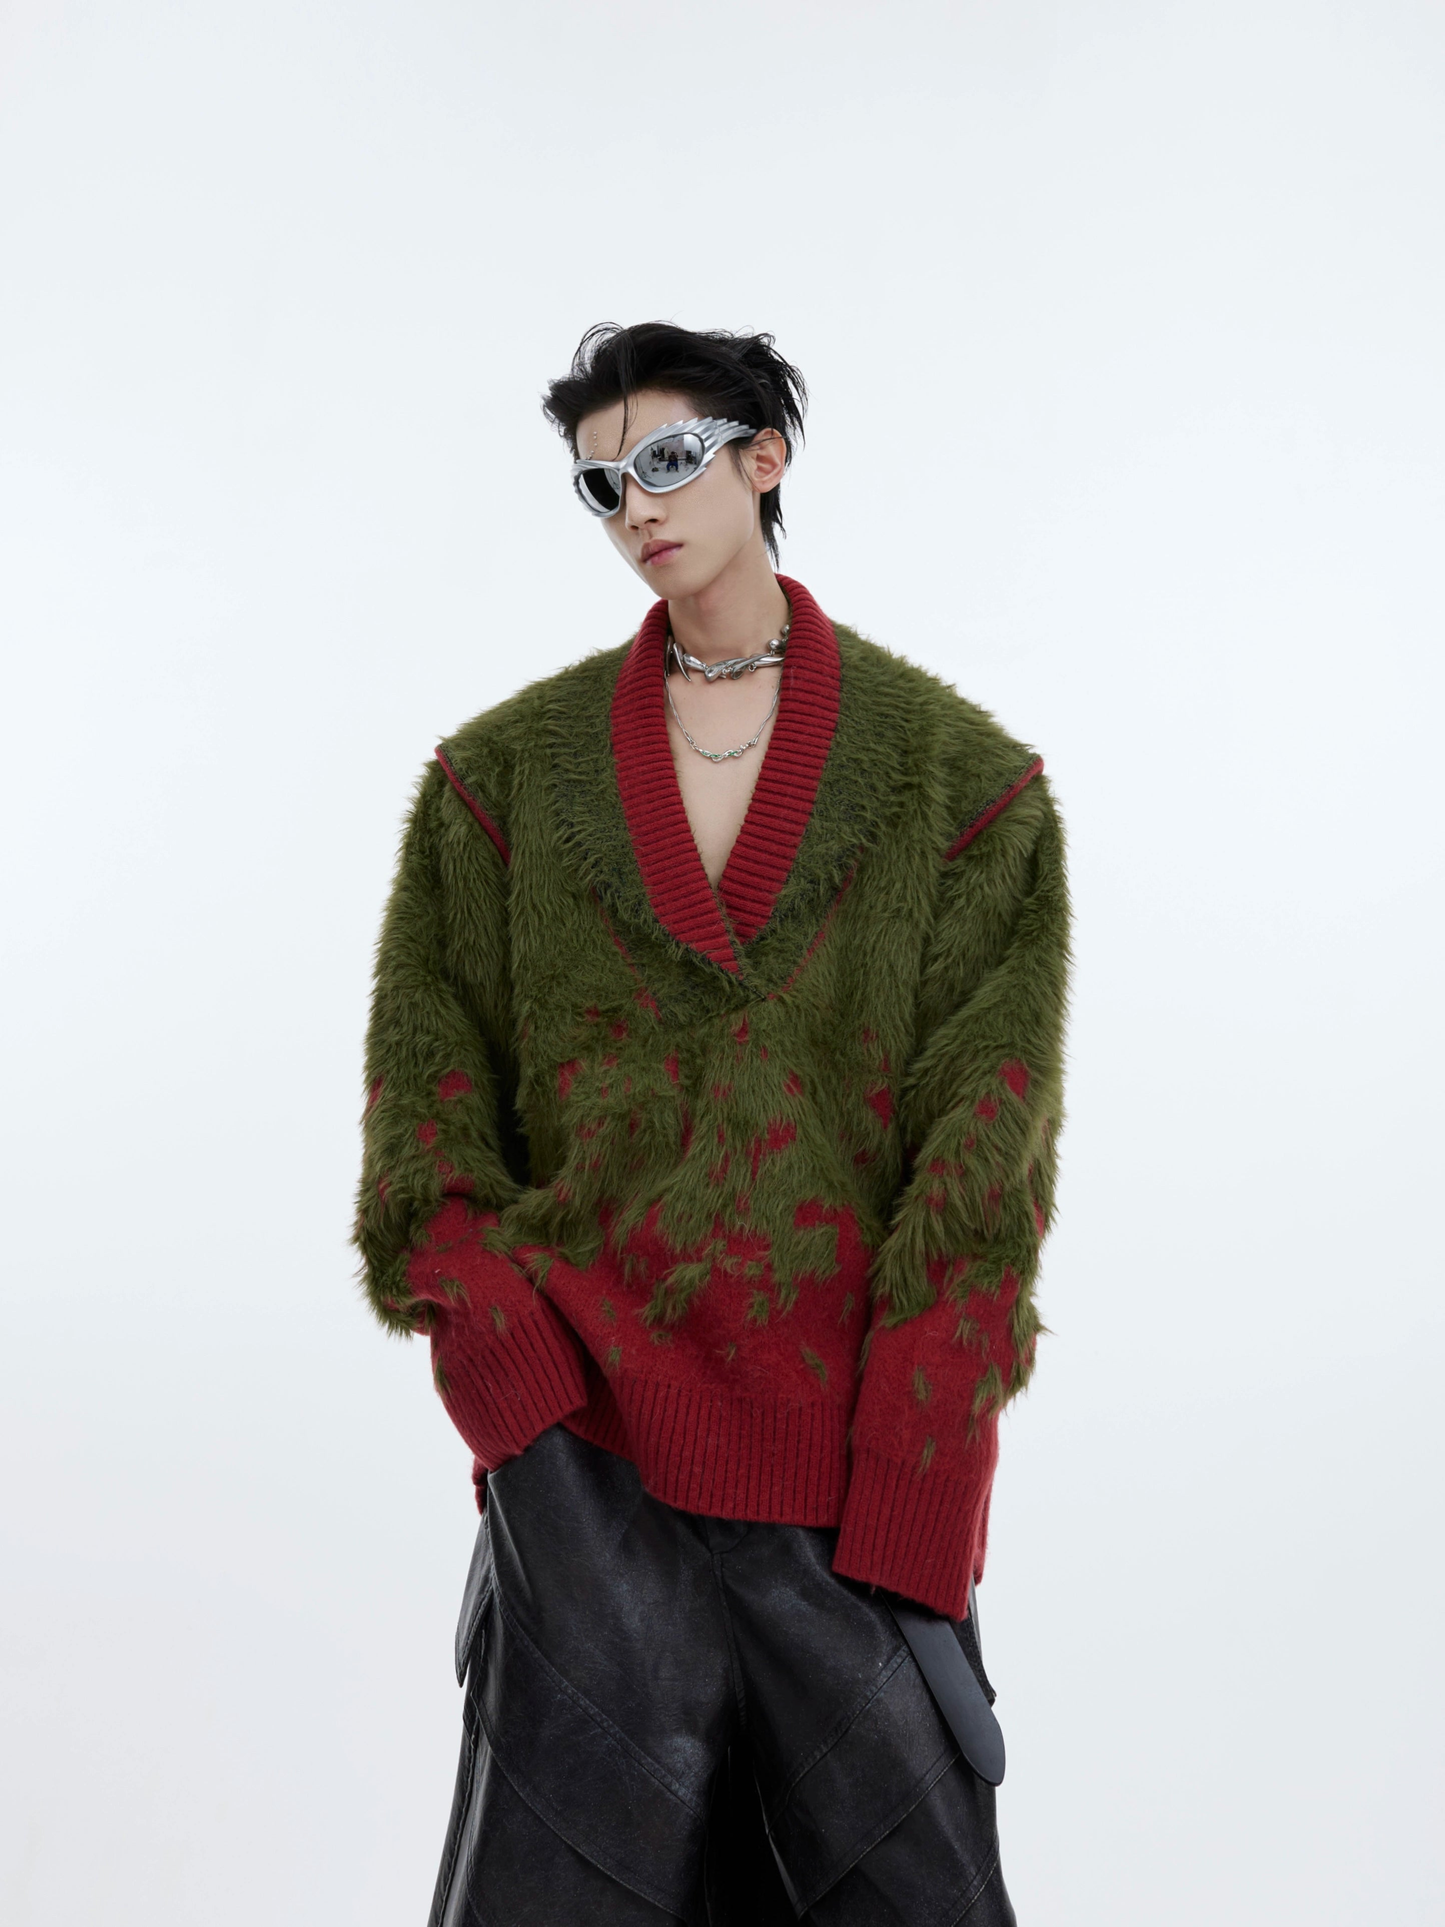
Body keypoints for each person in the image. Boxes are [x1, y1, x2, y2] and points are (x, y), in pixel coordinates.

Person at [354, 321, 1070, 1925]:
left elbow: (978, 1200)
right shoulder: (498, 787)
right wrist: (528, 1433)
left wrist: (915, 1521)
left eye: (670, 459)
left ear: (766, 455)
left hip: (852, 1517)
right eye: (602, 483)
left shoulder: (966, 794)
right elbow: (424, 1151)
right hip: (588, 1492)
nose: (639, 507)